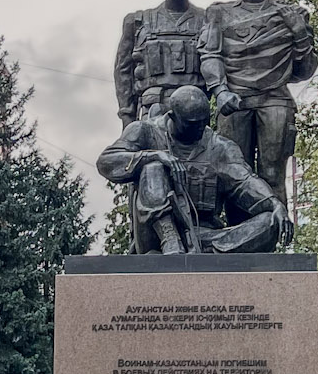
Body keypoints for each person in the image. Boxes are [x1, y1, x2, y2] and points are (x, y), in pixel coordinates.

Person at [97, 84, 283, 254]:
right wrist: (152, 155)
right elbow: (106, 162)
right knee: (153, 167)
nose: (200, 128)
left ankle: (205, 253)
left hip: (203, 235)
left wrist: (274, 203)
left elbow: (245, 181)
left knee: (271, 221)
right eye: (192, 124)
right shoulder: (144, 131)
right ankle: (170, 239)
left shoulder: (220, 147)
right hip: (154, 236)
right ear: (172, 117)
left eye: (204, 122)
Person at [198, 0, 318, 201]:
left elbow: (305, 70)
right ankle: (238, 239)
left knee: (272, 175)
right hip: (234, 102)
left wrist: (299, 32)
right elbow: (209, 55)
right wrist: (220, 90)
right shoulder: (219, 13)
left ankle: (272, 238)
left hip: (274, 100)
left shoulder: (292, 14)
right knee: (231, 174)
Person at [112, 0, 207, 123]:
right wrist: (127, 116)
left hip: (196, 116)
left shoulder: (207, 21)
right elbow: (123, 73)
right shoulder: (137, 22)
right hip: (152, 111)